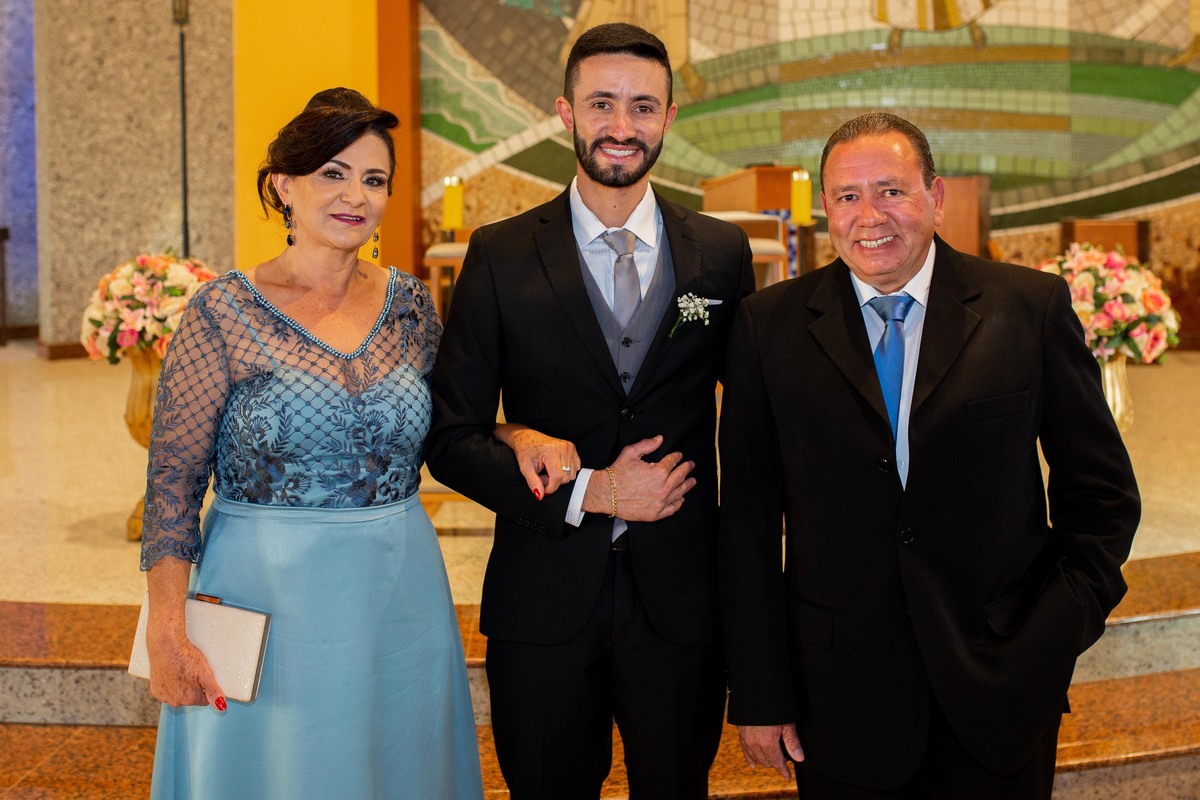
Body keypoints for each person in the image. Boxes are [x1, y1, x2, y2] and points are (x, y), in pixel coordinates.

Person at [718, 112, 1140, 799]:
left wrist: (1051, 636)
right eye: (848, 196)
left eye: (892, 190)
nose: (869, 216)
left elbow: (1103, 497)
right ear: (826, 208)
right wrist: (760, 691)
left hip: (1000, 694)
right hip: (839, 698)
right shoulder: (768, 328)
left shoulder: (1026, 308)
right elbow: (747, 523)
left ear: (935, 197)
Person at [424, 22, 755, 800]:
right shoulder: (499, 255)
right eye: (602, 103)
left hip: (681, 604)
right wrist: (590, 492)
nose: (621, 126)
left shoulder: (720, 253)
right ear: (566, 112)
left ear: (669, 116)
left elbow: (753, 428)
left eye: (643, 106)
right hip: (542, 598)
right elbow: (449, 437)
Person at [139, 88, 484, 799]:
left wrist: (522, 434)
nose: (355, 195)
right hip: (264, 593)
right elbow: (173, 484)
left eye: (374, 178)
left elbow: (457, 425)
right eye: (333, 173)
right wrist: (167, 629)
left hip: (398, 591)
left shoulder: (412, 307)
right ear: (283, 186)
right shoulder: (222, 313)